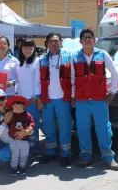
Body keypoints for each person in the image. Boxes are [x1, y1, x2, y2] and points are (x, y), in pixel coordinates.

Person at [71, 28, 118, 170]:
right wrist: (73, 96)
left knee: (103, 129)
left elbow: (115, 73)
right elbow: (73, 79)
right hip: (82, 101)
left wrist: (112, 92)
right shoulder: (74, 57)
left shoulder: (103, 55)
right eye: (85, 38)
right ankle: (85, 156)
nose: (87, 40)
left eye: (90, 37)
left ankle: (108, 158)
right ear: (80, 41)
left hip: (99, 100)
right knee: (83, 129)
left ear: (94, 40)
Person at [37, 32, 73, 167]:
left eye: (56, 41)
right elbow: (38, 81)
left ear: (61, 42)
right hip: (47, 99)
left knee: (65, 127)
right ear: (46, 44)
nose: (53, 43)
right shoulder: (41, 60)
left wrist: (73, 96)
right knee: (48, 127)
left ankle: (66, 154)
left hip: (63, 98)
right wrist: (39, 98)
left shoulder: (69, 57)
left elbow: (74, 78)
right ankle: (50, 152)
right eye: (51, 41)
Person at [0, 89, 33, 173]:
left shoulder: (16, 109)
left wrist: (28, 131)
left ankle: (21, 159)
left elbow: (30, 123)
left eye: (1, 99)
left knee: (2, 155)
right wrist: (5, 122)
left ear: (6, 99)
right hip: (2, 142)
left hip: (16, 142)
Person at [15, 38, 41, 158]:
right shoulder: (18, 62)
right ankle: (24, 149)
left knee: (32, 125)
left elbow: (38, 81)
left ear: (34, 48)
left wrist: (35, 96)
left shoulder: (37, 61)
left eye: (30, 47)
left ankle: (34, 150)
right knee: (22, 125)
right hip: (20, 100)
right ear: (21, 48)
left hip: (31, 99)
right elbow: (18, 80)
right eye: (25, 47)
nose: (27, 49)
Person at [6, 95, 35, 177]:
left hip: (24, 140)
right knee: (15, 155)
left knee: (24, 155)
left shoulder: (27, 115)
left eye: (20, 106)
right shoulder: (10, 115)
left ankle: (22, 167)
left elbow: (32, 123)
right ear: (12, 106)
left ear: (24, 106)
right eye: (16, 106)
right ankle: (14, 168)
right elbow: (5, 123)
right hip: (13, 140)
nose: (18, 108)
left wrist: (29, 129)